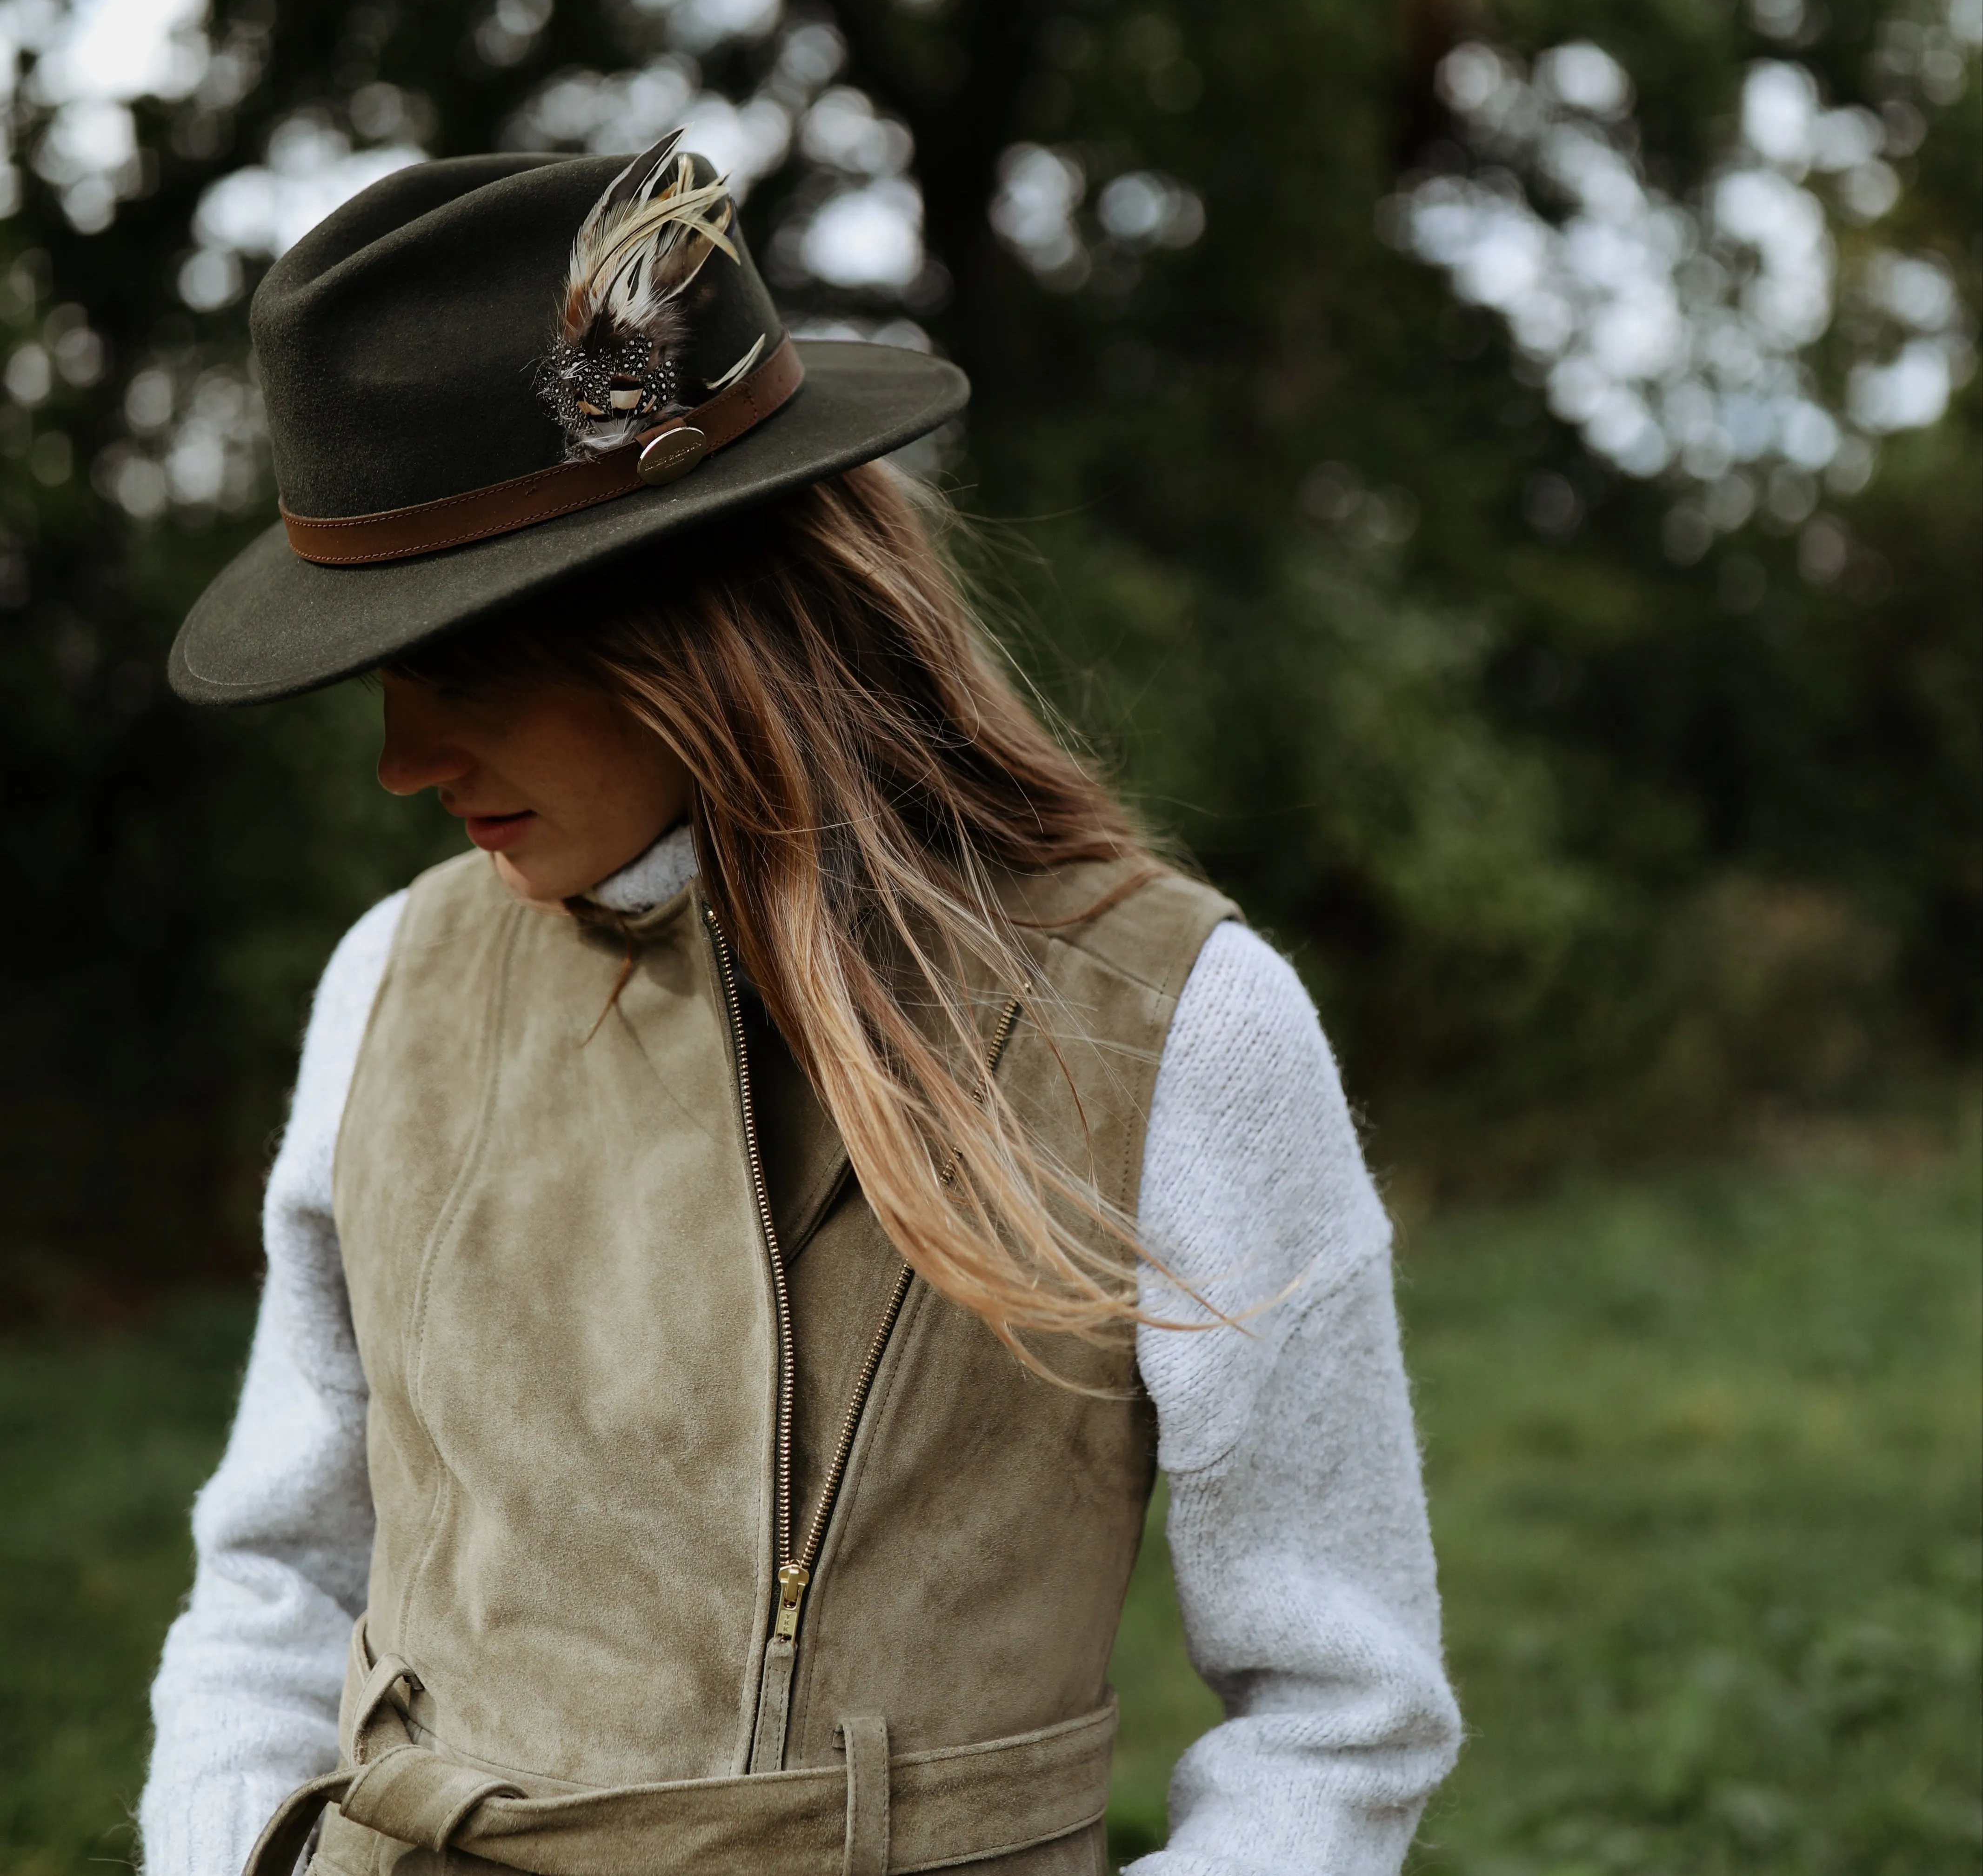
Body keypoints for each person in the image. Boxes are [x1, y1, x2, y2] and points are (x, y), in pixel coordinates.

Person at [140, 134, 1461, 1876]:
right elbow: (277, 1569)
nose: (401, 762)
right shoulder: (394, 983)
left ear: (697, 626)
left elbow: (1337, 1708)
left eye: (459, 666)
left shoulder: (1169, 1022)